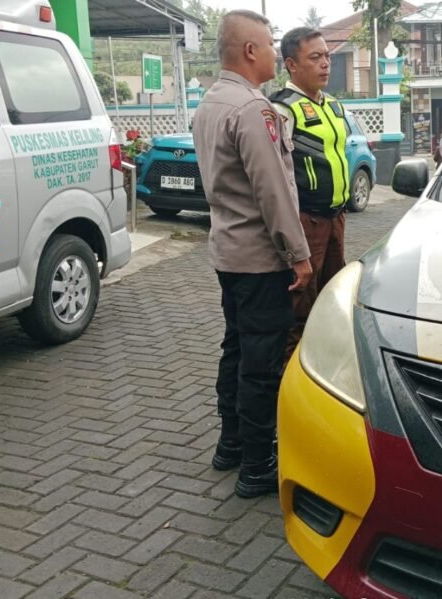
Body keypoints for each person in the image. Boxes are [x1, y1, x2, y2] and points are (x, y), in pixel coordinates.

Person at [192, 10, 312, 499]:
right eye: (268, 44)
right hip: (262, 260)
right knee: (260, 362)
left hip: (228, 253)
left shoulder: (210, 103)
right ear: (249, 51)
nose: (273, 52)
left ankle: (232, 445)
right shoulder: (252, 109)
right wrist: (298, 254)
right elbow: (274, 193)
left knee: (237, 349)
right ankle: (258, 465)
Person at [269, 27, 350, 362]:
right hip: (306, 222)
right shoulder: (281, 109)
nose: (325, 64)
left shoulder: (333, 105)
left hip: (336, 219)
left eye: (327, 56)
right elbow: (275, 176)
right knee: (300, 306)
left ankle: (326, 369)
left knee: (333, 298)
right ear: (291, 64)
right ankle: (290, 381)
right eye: (315, 58)